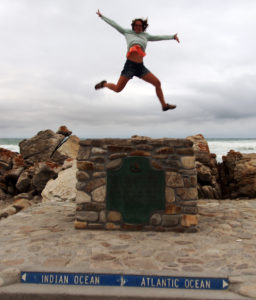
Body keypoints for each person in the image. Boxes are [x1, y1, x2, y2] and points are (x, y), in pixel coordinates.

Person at [95, 10, 180, 111]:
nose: (138, 27)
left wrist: (172, 37)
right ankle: (104, 84)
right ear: (133, 26)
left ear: (143, 26)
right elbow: (115, 24)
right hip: (129, 66)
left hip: (140, 67)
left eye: (140, 25)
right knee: (118, 89)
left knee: (157, 83)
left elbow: (158, 37)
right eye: (136, 25)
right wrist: (102, 16)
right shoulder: (127, 32)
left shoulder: (146, 36)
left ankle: (164, 105)